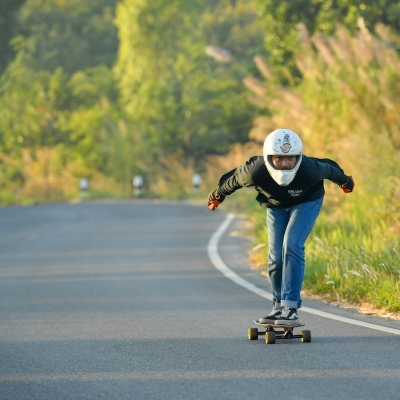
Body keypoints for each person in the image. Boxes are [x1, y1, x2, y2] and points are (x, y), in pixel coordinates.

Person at [207, 129, 354, 326]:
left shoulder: (310, 169)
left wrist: (345, 181)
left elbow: (330, 169)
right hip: (275, 206)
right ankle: (278, 306)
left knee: (292, 244)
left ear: (298, 157)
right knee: (275, 256)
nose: (285, 163)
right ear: (269, 157)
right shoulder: (255, 171)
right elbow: (233, 180)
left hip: (307, 202)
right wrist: (218, 195)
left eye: (291, 158)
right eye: (279, 158)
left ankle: (290, 308)